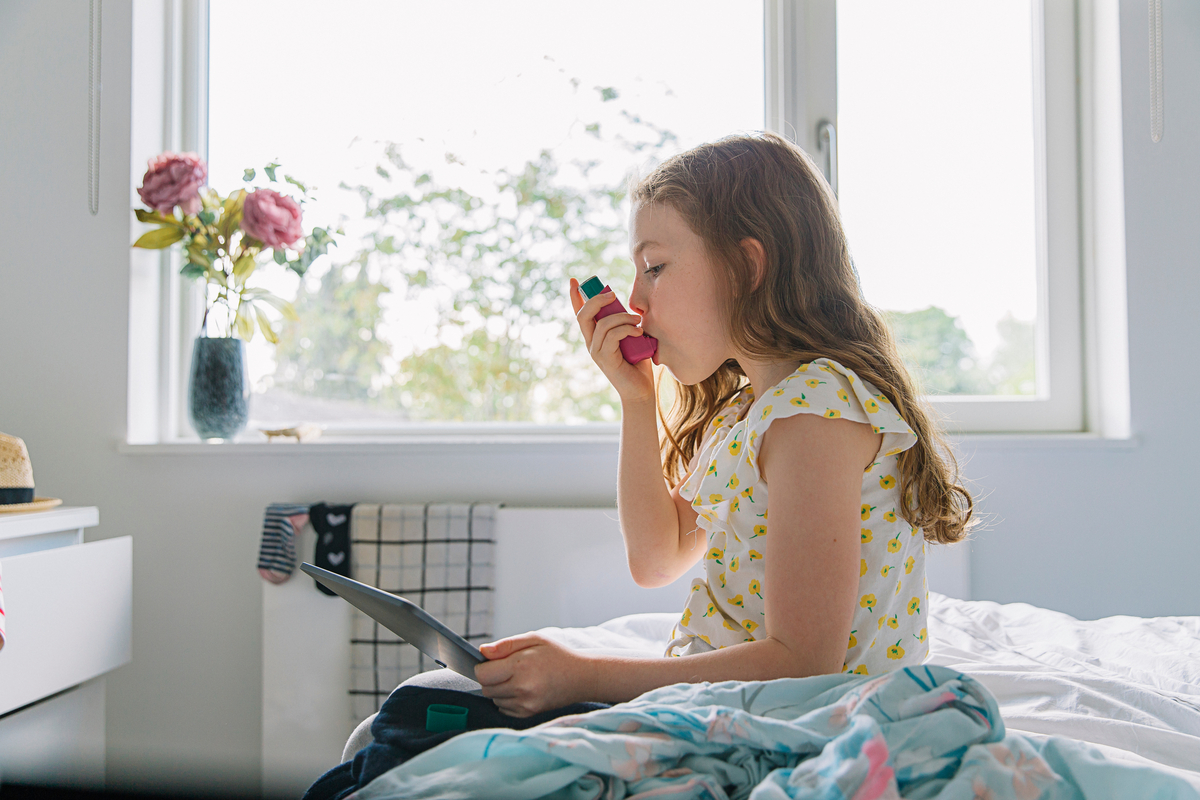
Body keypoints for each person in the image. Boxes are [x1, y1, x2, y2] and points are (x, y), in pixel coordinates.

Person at [472, 131, 974, 717]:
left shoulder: (814, 414)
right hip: (729, 709)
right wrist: (637, 402)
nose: (636, 301)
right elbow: (656, 560)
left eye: (654, 267)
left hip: (791, 724)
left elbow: (803, 661)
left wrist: (586, 677)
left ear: (746, 265)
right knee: (430, 710)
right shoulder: (749, 413)